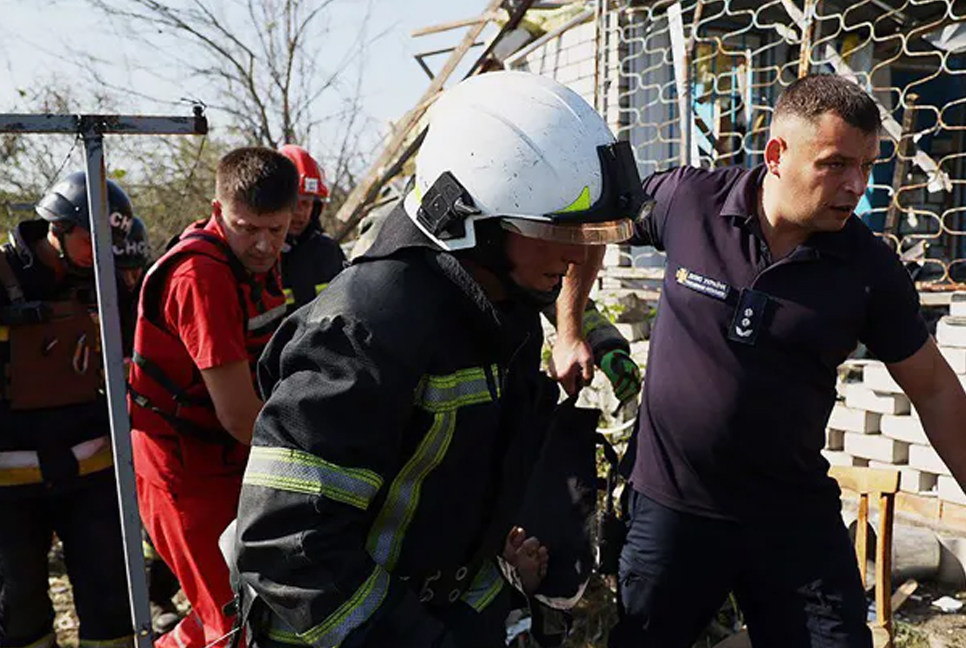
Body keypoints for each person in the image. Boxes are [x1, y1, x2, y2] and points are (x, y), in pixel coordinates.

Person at [232, 70, 649, 648]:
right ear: (466, 220)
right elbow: (288, 545)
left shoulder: (507, 309)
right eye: (557, 230)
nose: (576, 254)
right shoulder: (364, 330)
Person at [554, 74, 966, 648]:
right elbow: (591, 222)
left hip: (790, 515)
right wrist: (569, 328)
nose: (857, 187)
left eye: (867, 168)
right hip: (672, 508)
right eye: (835, 164)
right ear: (777, 155)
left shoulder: (868, 271)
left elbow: (937, 390)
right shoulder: (688, 201)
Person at [127, 147, 296, 648]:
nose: (265, 245)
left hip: (228, 462)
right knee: (234, 622)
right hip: (182, 472)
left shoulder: (254, 259)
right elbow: (241, 415)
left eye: (277, 230)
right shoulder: (201, 278)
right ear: (218, 210)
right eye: (249, 229)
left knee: (238, 610)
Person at [0, 172, 136, 648]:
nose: (99, 250)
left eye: (111, 240)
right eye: (89, 237)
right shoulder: (3, 276)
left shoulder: (109, 285)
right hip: (10, 484)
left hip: (90, 474)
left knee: (112, 603)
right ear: (55, 227)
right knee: (17, 611)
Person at [276, 144, 346, 313]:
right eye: (293, 204)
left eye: (306, 203)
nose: (300, 213)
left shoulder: (329, 252)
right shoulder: (263, 254)